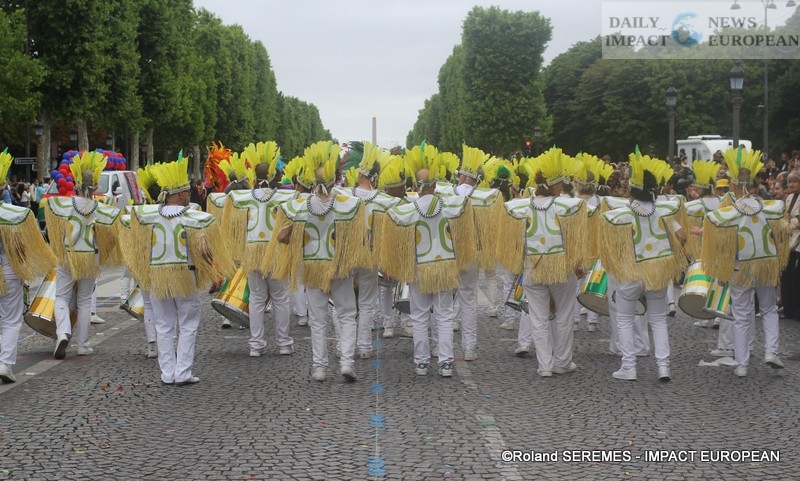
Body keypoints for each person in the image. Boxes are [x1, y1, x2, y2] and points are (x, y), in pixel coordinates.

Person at [129, 152, 234, 385]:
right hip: (185, 275)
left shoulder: (148, 216)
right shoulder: (192, 216)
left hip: (157, 276)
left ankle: (167, 374)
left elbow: (128, 222)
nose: (190, 194)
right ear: (177, 194)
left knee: (163, 325)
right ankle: (183, 372)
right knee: (188, 324)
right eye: (186, 192)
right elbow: (208, 237)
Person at [273, 141, 369, 382]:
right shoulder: (351, 204)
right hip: (339, 266)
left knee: (317, 319)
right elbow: (359, 237)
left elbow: (282, 235)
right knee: (347, 314)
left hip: (312, 267)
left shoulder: (296, 207)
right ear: (336, 178)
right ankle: (347, 362)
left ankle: (319, 367)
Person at [380, 143, 476, 378]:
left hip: (418, 269)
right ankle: (445, 363)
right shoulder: (451, 205)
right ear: (435, 184)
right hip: (444, 267)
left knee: (419, 316)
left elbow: (393, 222)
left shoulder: (406, 209)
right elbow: (464, 206)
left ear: (415, 185)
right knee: (444, 316)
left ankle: (421, 363)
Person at [498, 147, 588, 377]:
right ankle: (562, 362)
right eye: (561, 183)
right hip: (561, 269)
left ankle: (545, 365)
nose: (563, 187)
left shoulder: (519, 207)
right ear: (555, 184)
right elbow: (577, 231)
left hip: (533, 269)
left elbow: (513, 234)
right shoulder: (569, 205)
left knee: (537, 318)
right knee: (564, 316)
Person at [702, 147, 791, 378]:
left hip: (740, 268)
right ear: (753, 183)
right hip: (765, 265)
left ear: (733, 184)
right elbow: (783, 230)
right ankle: (771, 351)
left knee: (741, 315)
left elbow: (715, 227)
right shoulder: (770, 207)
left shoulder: (729, 211)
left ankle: (742, 363)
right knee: (769, 308)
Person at [600, 149, 688, 382]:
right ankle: (663, 367)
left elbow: (612, 243)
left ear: (633, 190)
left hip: (631, 273)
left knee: (625, 318)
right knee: (658, 320)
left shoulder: (622, 214)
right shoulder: (664, 212)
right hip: (658, 274)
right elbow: (682, 237)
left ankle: (629, 367)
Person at [45, 151, 122, 359]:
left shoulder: (62, 204)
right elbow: (116, 223)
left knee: (61, 296)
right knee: (85, 300)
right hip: (90, 256)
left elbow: (49, 213)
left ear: (76, 184)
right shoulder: (100, 208)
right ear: (95, 187)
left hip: (68, 255)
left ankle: (63, 332)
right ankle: (83, 344)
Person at [224, 141, 297, 357]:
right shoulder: (286, 196)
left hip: (252, 252)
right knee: (280, 298)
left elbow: (222, 198)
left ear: (254, 177)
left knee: (256, 299)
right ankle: (284, 344)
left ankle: (256, 345)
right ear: (274, 175)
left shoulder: (243, 197)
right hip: (275, 253)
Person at [335, 142, 401, 359]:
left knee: (343, 305)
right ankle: (364, 348)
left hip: (346, 255)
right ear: (374, 177)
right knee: (366, 303)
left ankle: (342, 347)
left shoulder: (342, 196)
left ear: (359, 173)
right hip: (371, 255)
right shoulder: (385, 201)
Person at [0, 149, 57, 383]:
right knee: (11, 319)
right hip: (10, 269)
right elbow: (22, 249)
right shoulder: (16, 215)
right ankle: (4, 365)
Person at [452, 144, 503, 361]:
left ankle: (440, 349)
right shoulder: (488, 196)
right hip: (471, 252)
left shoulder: (445, 191)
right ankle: (470, 348)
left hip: (447, 253)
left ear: (463, 177)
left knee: (443, 301)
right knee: (469, 298)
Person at [781, 171, 800, 321]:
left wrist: (790, 222)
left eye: (795, 181)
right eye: (790, 182)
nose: (791, 184)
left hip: (797, 240)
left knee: (795, 277)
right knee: (786, 277)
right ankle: (788, 308)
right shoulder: (788, 198)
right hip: (788, 241)